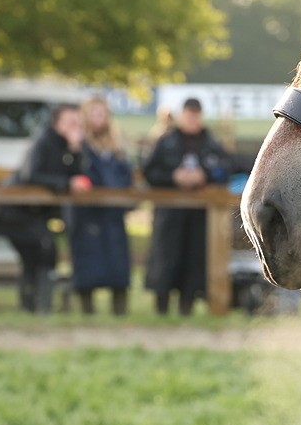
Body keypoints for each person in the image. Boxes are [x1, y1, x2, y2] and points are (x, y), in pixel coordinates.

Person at [0, 104, 91, 314]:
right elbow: (30, 175)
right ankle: (37, 306)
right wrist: (65, 183)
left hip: (34, 213)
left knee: (39, 255)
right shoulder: (43, 142)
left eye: (77, 122)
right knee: (42, 249)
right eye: (70, 122)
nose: (75, 126)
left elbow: (77, 174)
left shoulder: (69, 147)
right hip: (12, 211)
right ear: (57, 123)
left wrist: (76, 150)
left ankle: (36, 306)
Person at [142, 97, 232, 315]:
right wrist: (174, 177)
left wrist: (205, 175)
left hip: (199, 216)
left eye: (195, 115)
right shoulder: (166, 142)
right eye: (188, 115)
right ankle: (161, 308)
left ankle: (187, 308)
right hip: (169, 215)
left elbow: (225, 170)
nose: (192, 119)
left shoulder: (211, 144)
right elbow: (149, 171)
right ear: (182, 115)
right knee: (166, 260)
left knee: (193, 260)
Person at [67, 95, 133, 315]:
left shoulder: (116, 149)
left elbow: (126, 177)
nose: (100, 119)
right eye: (95, 113)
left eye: (103, 114)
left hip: (112, 215)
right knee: (88, 262)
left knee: (117, 264)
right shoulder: (77, 147)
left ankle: (119, 311)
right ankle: (87, 311)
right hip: (87, 215)